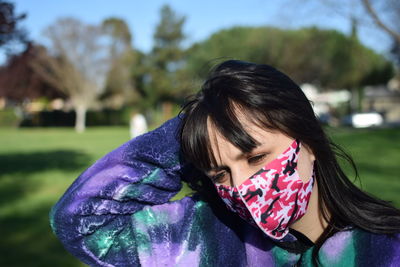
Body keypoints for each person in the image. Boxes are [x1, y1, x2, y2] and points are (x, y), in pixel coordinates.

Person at [50, 60, 400, 266]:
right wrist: (200, 125)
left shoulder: (387, 247)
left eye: (256, 157)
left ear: (308, 140)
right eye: (221, 173)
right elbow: (82, 221)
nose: (244, 188)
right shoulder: (209, 234)